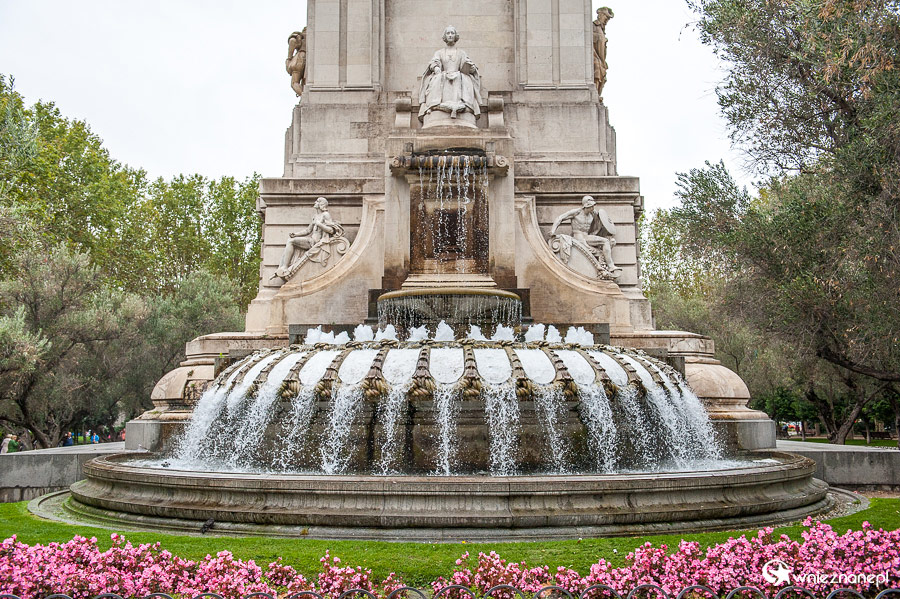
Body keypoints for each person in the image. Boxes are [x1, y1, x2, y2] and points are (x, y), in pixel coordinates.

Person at [418, 26, 483, 121]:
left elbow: (467, 64)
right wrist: (436, 67)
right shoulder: (439, 52)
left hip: (458, 75)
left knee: (462, 77)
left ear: (455, 36)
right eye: (448, 33)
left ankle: (462, 103)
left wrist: (471, 68)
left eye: (452, 33)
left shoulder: (461, 53)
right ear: (445, 36)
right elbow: (433, 62)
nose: (450, 35)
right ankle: (435, 104)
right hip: (443, 75)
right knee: (439, 77)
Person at [550, 195, 622, 276]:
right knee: (600, 244)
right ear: (586, 206)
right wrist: (553, 231)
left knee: (606, 241)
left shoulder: (593, 214)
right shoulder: (576, 212)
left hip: (587, 236)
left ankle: (611, 266)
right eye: (591, 206)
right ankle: (607, 265)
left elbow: (600, 224)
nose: (593, 208)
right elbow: (560, 218)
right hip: (578, 236)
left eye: (593, 206)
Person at [274, 197, 342, 279]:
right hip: (311, 240)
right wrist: (295, 234)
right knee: (290, 240)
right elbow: (308, 230)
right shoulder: (315, 216)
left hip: (316, 242)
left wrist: (319, 224)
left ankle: (284, 267)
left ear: (321, 204)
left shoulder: (325, 215)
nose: (315, 202)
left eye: (317, 201)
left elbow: (331, 230)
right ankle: (282, 267)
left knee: (291, 242)